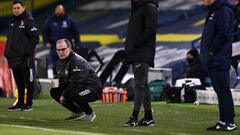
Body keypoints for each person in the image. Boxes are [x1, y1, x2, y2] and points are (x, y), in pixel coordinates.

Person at [200, 0, 237, 131]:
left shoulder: (223, 11)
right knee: (220, 91)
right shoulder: (215, 11)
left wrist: (211, 51)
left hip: (219, 58)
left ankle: (230, 122)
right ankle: (223, 121)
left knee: (223, 91)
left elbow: (223, 33)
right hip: (214, 59)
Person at [124, 0, 159, 127]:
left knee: (139, 85)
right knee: (143, 85)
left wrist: (136, 43)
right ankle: (148, 117)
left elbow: (151, 30)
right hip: (137, 52)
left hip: (142, 52)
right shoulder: (139, 7)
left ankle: (134, 117)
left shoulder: (149, 7)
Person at [50, 39, 101, 121]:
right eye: (58, 50)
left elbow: (77, 83)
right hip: (78, 86)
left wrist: (64, 95)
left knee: (75, 94)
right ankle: (78, 112)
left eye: (63, 49)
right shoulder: (61, 61)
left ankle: (89, 113)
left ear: (69, 48)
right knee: (54, 91)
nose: (60, 52)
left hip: (92, 88)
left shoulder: (77, 61)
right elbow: (59, 77)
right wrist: (53, 86)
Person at [4, 0, 39, 111]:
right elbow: (10, 40)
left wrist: (27, 52)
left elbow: (35, 38)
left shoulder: (29, 21)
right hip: (14, 58)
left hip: (25, 58)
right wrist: (7, 52)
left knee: (28, 82)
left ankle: (28, 104)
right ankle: (19, 103)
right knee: (19, 83)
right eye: (14, 8)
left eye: (18, 8)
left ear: (23, 8)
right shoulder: (12, 22)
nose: (16, 10)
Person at [42, 4, 80, 76]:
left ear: (63, 11)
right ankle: (56, 79)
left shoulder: (69, 20)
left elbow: (76, 32)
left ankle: (68, 79)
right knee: (55, 64)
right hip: (54, 47)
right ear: (55, 11)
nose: (58, 12)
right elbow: (44, 32)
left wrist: (77, 44)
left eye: (60, 11)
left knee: (69, 64)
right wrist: (46, 42)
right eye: (57, 10)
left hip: (66, 47)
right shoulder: (50, 21)